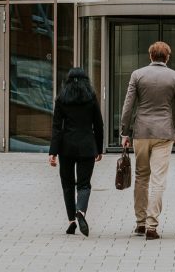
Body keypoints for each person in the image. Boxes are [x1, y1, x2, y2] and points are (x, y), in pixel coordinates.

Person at [120, 41, 175, 240]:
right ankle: (152, 225)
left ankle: (140, 223)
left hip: (141, 132)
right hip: (164, 133)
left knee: (141, 177)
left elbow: (127, 107)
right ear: (167, 57)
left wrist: (125, 133)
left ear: (150, 56)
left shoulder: (137, 75)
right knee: (158, 179)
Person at [48, 68, 103, 237]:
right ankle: (81, 211)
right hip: (87, 146)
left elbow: (57, 127)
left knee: (67, 184)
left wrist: (53, 152)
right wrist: (99, 149)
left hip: (66, 147)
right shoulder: (91, 98)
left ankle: (71, 221)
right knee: (84, 184)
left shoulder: (62, 99)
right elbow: (98, 125)